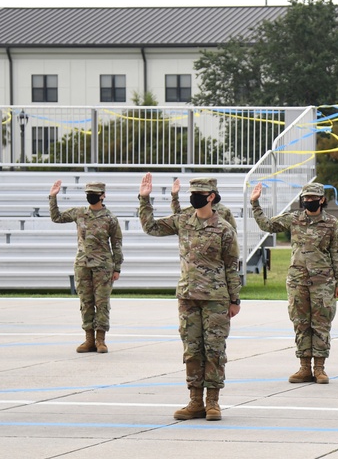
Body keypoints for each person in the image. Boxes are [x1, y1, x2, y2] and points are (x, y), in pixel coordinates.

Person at [139, 175, 240, 421]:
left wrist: (234, 300)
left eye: (199, 193)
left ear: (211, 197)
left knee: (214, 350)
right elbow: (151, 227)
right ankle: (195, 401)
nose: (194, 197)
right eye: (192, 193)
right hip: (188, 296)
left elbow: (231, 266)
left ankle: (213, 402)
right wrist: (144, 198)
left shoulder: (224, 228)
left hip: (216, 298)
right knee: (192, 350)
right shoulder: (183, 220)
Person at [250, 182, 338, 384]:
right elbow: (267, 225)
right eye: (306, 198)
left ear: (321, 199)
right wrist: (255, 203)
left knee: (321, 324)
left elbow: (336, 254)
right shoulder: (294, 219)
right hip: (297, 281)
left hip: (323, 281)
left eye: (313, 198)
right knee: (300, 323)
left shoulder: (331, 223)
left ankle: (319, 368)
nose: (308, 201)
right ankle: (304, 367)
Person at [49, 181, 123, 354]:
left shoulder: (110, 218)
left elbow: (117, 244)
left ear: (103, 195)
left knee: (102, 303)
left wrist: (117, 267)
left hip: (103, 266)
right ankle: (89, 339)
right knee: (86, 302)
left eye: (94, 193)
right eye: (88, 193)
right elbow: (57, 217)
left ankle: (100, 340)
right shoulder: (80, 213)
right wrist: (53, 197)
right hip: (82, 265)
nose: (91, 196)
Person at [171, 177, 237, 230]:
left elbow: (232, 235)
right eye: (193, 193)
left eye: (200, 193)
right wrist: (174, 196)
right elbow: (177, 217)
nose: (195, 196)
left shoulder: (224, 211)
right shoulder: (192, 210)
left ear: (212, 196)